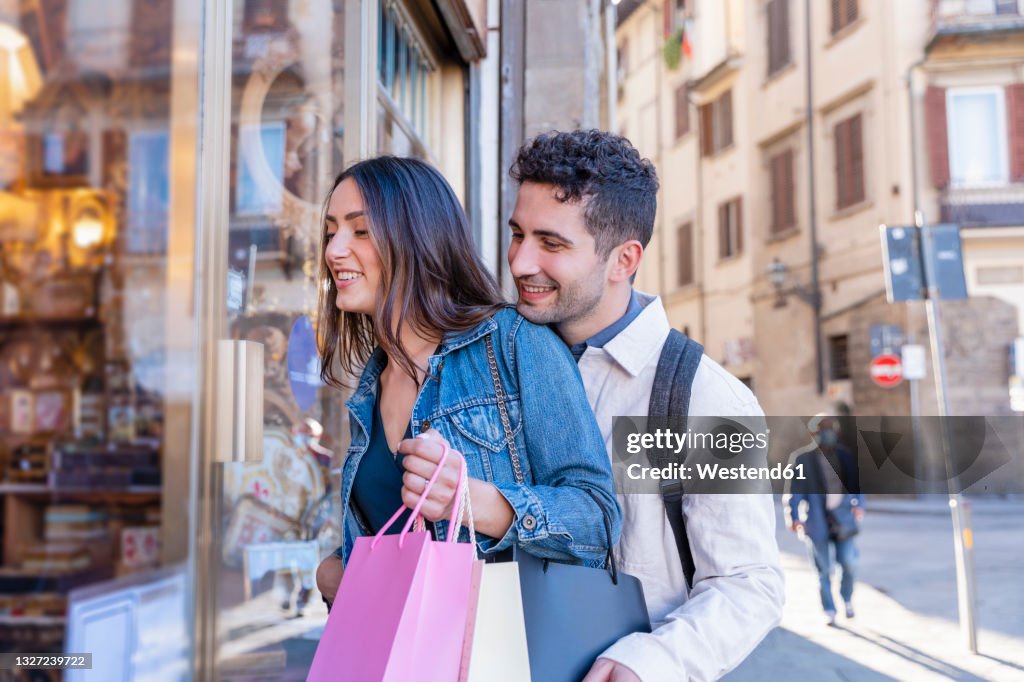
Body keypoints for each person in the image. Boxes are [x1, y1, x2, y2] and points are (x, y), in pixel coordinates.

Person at [507, 129, 784, 682]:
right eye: (516, 235)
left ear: (623, 259)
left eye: (551, 244)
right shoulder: (496, 362)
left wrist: (650, 662)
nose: (519, 262)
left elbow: (749, 583)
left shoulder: (706, 399)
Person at [314, 156, 621, 601]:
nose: (334, 250)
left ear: (417, 239)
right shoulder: (370, 383)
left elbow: (597, 517)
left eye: (360, 231)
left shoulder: (513, 342)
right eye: (330, 231)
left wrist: (474, 501)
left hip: (501, 650)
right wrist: (338, 570)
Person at [784, 413, 865, 626]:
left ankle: (847, 598)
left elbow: (856, 487)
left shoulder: (846, 456)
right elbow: (794, 493)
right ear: (814, 433)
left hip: (844, 520)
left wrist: (859, 505)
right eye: (823, 429)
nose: (828, 433)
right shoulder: (802, 459)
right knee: (824, 569)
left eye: (831, 429)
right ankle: (829, 608)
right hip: (816, 521)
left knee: (849, 563)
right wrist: (793, 517)